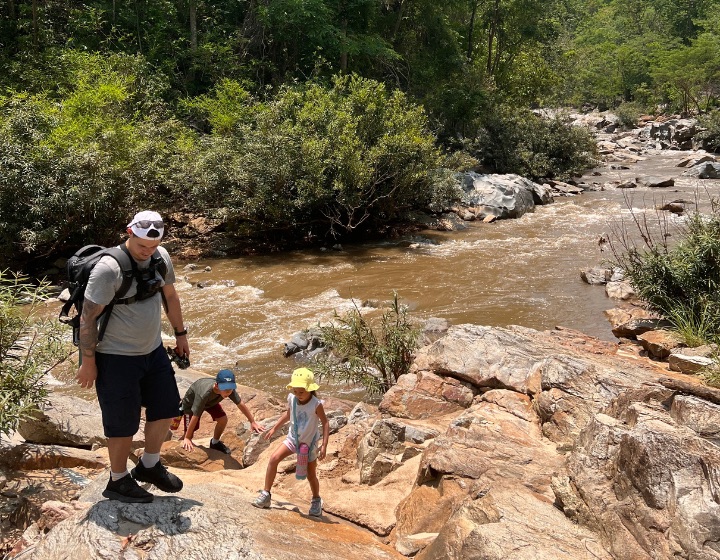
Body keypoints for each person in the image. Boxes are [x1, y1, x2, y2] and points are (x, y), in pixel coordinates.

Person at [75, 210, 189, 503]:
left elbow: (171, 296)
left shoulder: (160, 257)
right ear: (129, 232)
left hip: (152, 351)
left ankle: (149, 465)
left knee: (166, 408)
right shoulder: (108, 269)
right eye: (142, 246)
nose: (147, 252)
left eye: (152, 246)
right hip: (115, 357)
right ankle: (117, 480)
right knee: (122, 422)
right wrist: (88, 361)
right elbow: (87, 319)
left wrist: (181, 335)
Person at [252, 367, 329, 517]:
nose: (298, 395)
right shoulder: (292, 399)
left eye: (301, 392)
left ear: (310, 389)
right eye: (296, 391)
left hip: (309, 444)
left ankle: (316, 500)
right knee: (274, 459)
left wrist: (324, 445)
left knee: (310, 474)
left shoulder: (316, 404)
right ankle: (266, 493)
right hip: (293, 439)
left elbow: (325, 423)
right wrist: (274, 428)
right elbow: (288, 414)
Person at [178, 369, 265, 453]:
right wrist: (188, 438)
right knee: (190, 433)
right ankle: (176, 444)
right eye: (225, 390)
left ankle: (214, 443)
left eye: (230, 390)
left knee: (223, 419)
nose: (228, 393)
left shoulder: (229, 390)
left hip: (210, 403)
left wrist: (252, 422)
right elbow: (195, 416)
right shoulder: (204, 393)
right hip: (191, 404)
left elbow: (240, 404)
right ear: (216, 385)